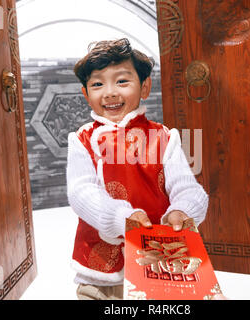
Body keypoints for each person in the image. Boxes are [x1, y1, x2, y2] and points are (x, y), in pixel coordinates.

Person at [67, 38, 209, 300]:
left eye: (122, 81)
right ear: (86, 95)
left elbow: (186, 187)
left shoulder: (164, 137)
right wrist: (120, 218)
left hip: (159, 265)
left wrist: (182, 210)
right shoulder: (82, 139)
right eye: (97, 84)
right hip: (102, 270)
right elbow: (81, 192)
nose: (109, 92)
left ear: (145, 87)